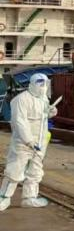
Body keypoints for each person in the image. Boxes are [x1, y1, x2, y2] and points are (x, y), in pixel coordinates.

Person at [0, 73, 58, 211]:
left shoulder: (43, 99)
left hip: (40, 143)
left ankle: (29, 197)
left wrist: (52, 111)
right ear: (32, 84)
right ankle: (4, 198)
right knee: (14, 170)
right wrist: (28, 140)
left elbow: (44, 117)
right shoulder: (21, 100)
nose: (43, 87)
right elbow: (19, 122)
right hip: (23, 143)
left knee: (35, 171)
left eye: (45, 84)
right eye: (40, 84)